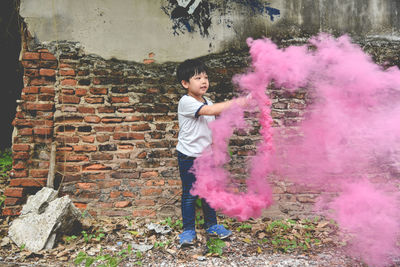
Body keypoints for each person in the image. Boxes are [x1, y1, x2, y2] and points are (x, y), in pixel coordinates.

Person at [176, 58, 244, 246]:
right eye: (198, 78)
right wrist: (238, 102)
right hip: (189, 156)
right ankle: (188, 230)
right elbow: (210, 111)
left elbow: (212, 127)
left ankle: (212, 225)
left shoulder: (209, 100)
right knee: (190, 193)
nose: (204, 81)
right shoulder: (187, 102)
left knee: (209, 191)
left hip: (206, 156)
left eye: (205, 77)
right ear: (185, 83)